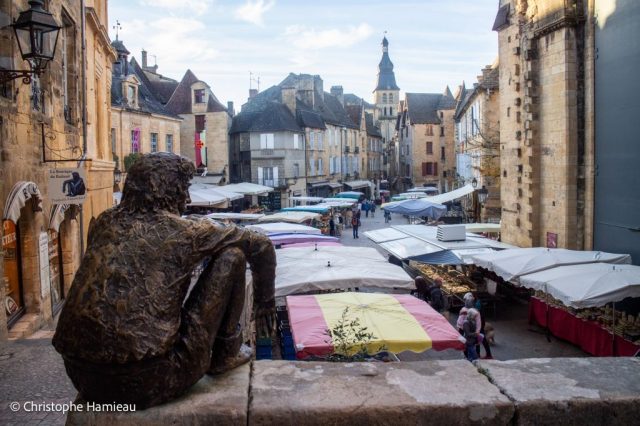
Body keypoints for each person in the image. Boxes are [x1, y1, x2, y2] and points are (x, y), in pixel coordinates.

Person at [52, 152, 277, 409]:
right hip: (150, 379)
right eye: (184, 189)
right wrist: (265, 302)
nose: (188, 198)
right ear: (167, 189)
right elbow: (260, 244)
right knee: (233, 256)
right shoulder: (186, 232)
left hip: (82, 376)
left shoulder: (104, 221)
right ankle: (225, 354)